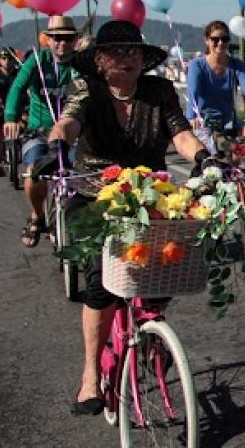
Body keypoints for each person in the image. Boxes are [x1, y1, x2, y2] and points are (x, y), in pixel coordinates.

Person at [31, 21, 213, 414]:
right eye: (117, 52)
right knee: (101, 285)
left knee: (171, 263)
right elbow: (70, 120)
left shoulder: (159, 91)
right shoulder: (87, 89)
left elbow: (180, 134)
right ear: (99, 59)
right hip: (95, 195)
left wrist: (203, 157)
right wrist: (56, 145)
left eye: (133, 52)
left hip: (150, 193)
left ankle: (149, 329)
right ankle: (89, 377)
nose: (127, 58)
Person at [4, 15, 80, 246]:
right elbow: (18, 87)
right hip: (40, 130)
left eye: (67, 39)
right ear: (47, 40)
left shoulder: (81, 64)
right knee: (33, 171)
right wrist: (11, 118)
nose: (62, 43)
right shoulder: (38, 60)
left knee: (85, 173)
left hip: (72, 132)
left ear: (75, 40)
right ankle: (37, 214)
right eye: (56, 38)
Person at [186, 20, 245, 152]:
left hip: (229, 120)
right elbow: (193, 91)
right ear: (207, 40)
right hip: (205, 121)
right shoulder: (197, 65)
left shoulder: (235, 64)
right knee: (217, 153)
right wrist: (191, 116)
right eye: (215, 39)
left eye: (225, 39)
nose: (220, 43)